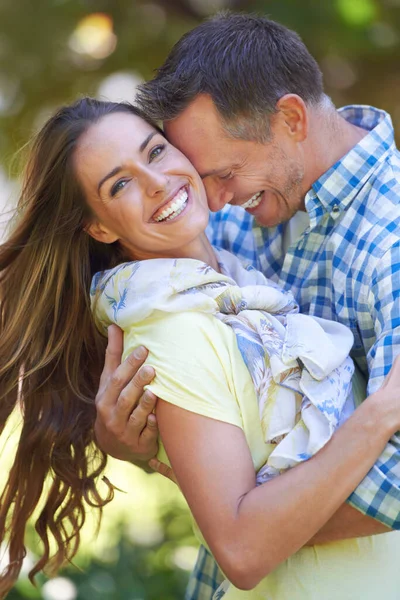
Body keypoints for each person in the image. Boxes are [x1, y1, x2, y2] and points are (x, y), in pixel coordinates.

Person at [1, 97, 400, 599]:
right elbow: (241, 549)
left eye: (156, 151)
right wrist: (382, 412)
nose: (157, 182)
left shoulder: (233, 273)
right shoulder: (169, 330)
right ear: (99, 227)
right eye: (119, 184)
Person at [92, 11, 400, 600]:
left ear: (290, 118)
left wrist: (247, 528)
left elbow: (397, 480)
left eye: (225, 173)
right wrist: (136, 447)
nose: (211, 198)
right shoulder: (239, 219)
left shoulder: (391, 243)